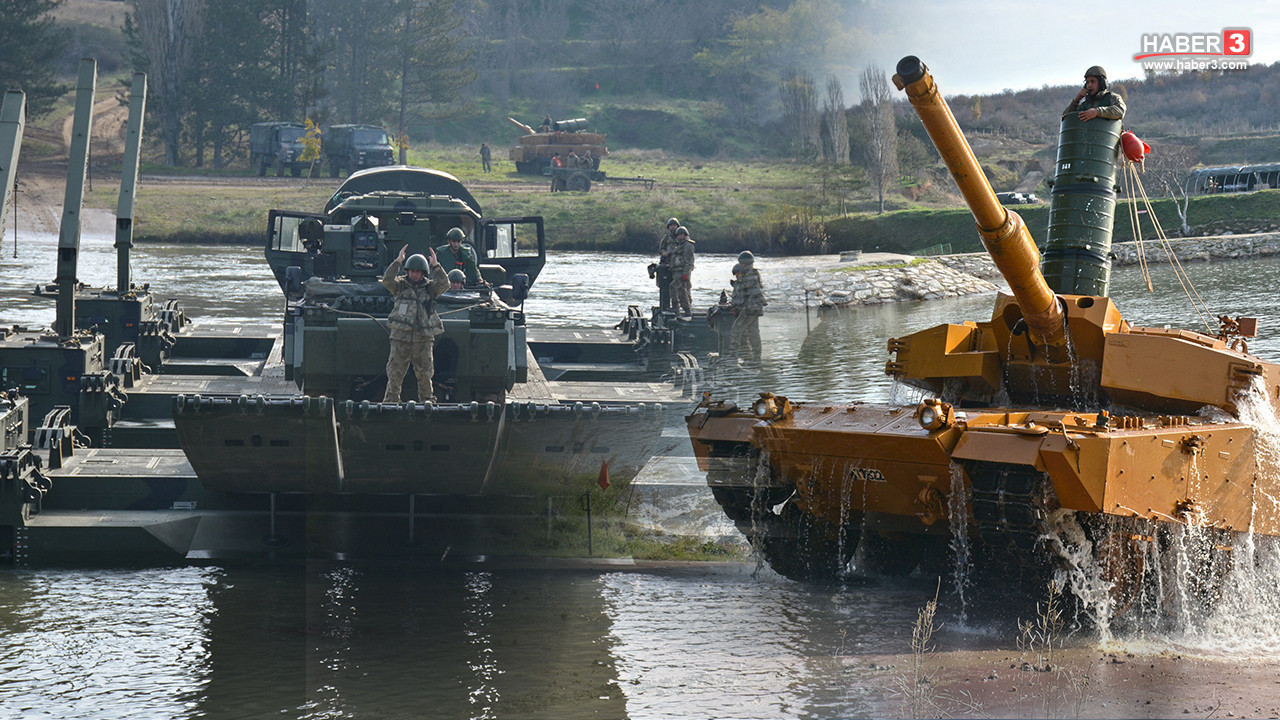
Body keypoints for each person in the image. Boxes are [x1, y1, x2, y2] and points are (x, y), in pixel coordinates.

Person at [382, 245, 448, 403]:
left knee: (425, 373)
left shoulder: (430, 289)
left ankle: (426, 400)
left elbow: (445, 284)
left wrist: (436, 266)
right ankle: (391, 401)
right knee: (394, 372)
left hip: (423, 338)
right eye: (411, 271)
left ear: (423, 273)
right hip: (400, 337)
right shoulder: (400, 286)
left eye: (418, 271)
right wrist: (398, 262)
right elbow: (387, 280)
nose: (414, 274)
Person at [728, 251, 765, 361]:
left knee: (736, 331)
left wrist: (736, 307)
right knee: (753, 333)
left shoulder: (746, 275)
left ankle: (733, 357)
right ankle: (756, 359)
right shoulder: (753, 274)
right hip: (755, 308)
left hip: (749, 309)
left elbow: (742, 295)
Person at [668, 225, 695, 317]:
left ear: (685, 235)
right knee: (682, 292)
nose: (680, 237)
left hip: (682, 272)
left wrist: (685, 274)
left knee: (673, 286)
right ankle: (686, 310)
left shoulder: (688, 245)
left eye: (682, 235)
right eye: (678, 235)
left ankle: (676, 306)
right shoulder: (678, 245)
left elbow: (689, 261)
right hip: (676, 271)